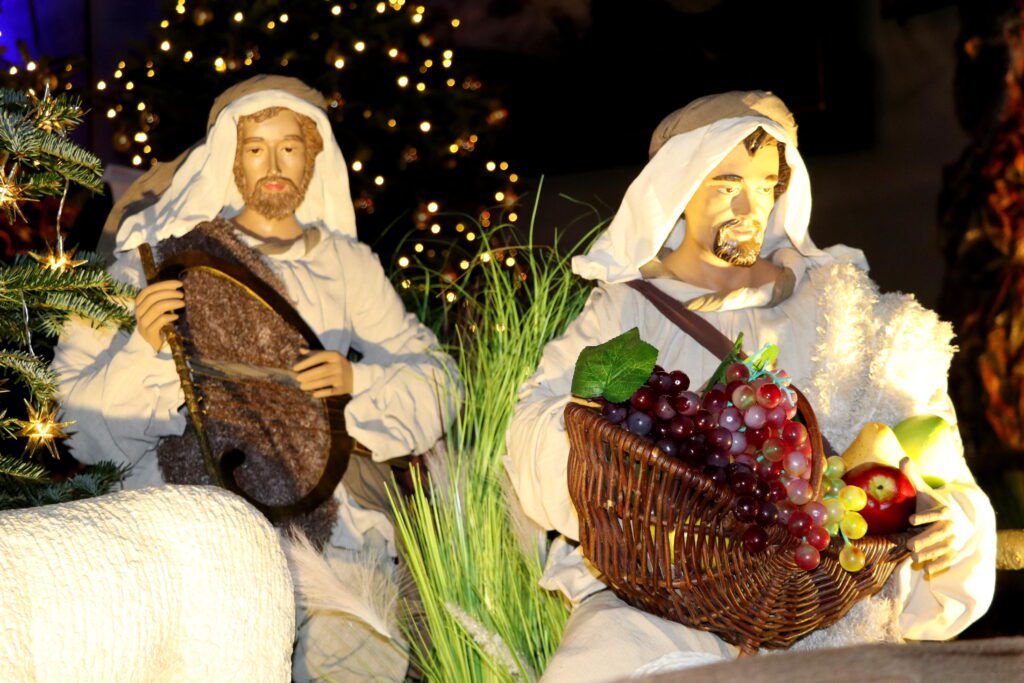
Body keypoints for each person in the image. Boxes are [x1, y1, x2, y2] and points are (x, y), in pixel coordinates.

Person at [506, 91, 997, 681]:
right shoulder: (625, 313)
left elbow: (931, 462)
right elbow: (536, 427)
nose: (750, 205)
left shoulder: (845, 310)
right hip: (662, 597)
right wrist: (635, 480)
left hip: (816, 608)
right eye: (727, 183)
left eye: (767, 185)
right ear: (679, 188)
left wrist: (947, 519)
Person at [52, 75, 458, 682]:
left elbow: (438, 380)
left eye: (289, 147)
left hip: (327, 536)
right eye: (255, 148)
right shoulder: (155, 259)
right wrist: (144, 348)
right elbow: (77, 426)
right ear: (231, 159)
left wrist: (357, 381)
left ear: (313, 157)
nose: (273, 165)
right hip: (194, 540)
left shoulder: (346, 264)